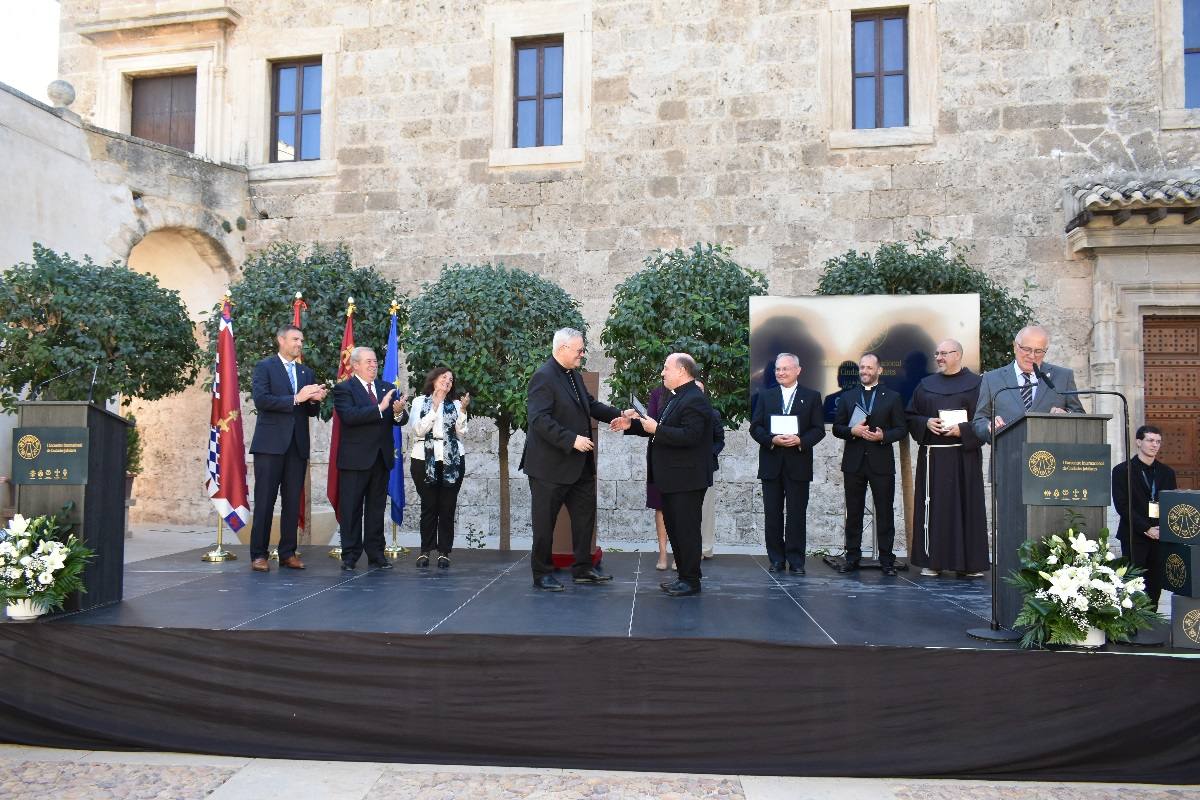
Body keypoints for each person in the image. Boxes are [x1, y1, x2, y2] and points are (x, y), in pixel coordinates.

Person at [520, 328, 627, 591]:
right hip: (549, 467)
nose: (582, 354)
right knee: (545, 525)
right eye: (578, 350)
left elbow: (591, 406)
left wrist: (618, 414)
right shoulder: (543, 377)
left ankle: (583, 568)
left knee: (584, 518)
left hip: (578, 466)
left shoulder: (574, 376)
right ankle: (541, 574)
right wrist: (571, 440)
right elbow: (539, 420)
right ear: (562, 349)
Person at [623, 353, 716, 597]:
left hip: (686, 479)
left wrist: (658, 429)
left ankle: (691, 580)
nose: (662, 373)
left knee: (686, 530)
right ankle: (684, 577)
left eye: (666, 368)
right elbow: (661, 428)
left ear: (682, 371)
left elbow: (690, 436)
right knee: (676, 528)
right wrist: (632, 425)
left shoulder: (695, 399)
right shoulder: (677, 396)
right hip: (673, 478)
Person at [906, 339, 989, 577]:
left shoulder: (978, 385)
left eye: (944, 353)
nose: (939, 357)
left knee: (967, 508)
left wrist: (962, 430)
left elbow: (985, 419)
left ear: (958, 355)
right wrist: (926, 422)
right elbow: (911, 416)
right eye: (937, 353)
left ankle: (970, 565)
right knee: (936, 510)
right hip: (934, 458)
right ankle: (933, 562)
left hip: (965, 457)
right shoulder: (925, 385)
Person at [248, 324, 327, 572]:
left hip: (296, 446)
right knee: (265, 501)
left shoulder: (306, 372)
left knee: (292, 502)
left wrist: (316, 399)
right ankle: (259, 554)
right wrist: (297, 398)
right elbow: (262, 400)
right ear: (281, 340)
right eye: (295, 339)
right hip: (270, 446)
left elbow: (310, 411)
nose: (299, 344)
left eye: (301, 340)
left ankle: (287, 553)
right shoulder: (265, 367)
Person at [332, 346, 408, 571]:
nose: (373, 365)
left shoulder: (387, 388)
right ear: (355, 365)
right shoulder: (344, 389)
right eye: (368, 362)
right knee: (351, 509)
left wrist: (397, 411)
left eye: (375, 362)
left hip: (381, 458)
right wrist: (380, 407)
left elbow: (399, 420)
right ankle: (350, 555)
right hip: (354, 460)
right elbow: (349, 417)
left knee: (376, 509)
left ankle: (376, 554)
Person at [831, 352, 907, 576]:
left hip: (881, 463)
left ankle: (887, 561)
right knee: (853, 513)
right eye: (862, 368)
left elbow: (901, 430)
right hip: (854, 464)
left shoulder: (892, 397)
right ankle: (852, 557)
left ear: (879, 370)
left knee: (885, 513)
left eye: (869, 368)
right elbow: (837, 428)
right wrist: (851, 431)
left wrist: (883, 436)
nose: (864, 371)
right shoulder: (848, 396)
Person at [748, 353, 825, 575]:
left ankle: (796, 561)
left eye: (785, 369)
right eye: (778, 370)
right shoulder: (765, 395)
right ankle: (776, 559)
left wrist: (801, 440)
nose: (780, 373)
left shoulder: (811, 397)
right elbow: (756, 427)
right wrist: (771, 440)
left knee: (796, 515)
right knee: (772, 514)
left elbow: (818, 430)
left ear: (798, 370)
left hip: (798, 464)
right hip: (771, 464)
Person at [972, 325, 1085, 441]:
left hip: (1050, 454)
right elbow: (979, 421)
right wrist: (988, 427)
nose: (1032, 356)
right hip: (1007, 454)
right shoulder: (992, 379)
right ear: (1015, 347)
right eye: (1026, 349)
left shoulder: (1063, 376)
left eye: (1038, 351)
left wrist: (1067, 415)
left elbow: (1080, 415)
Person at [409, 367, 470, 568]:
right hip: (423, 458)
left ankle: (444, 552)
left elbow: (461, 431)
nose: (447, 381)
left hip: (452, 459)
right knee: (429, 506)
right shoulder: (419, 402)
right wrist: (434, 408)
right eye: (444, 377)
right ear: (434, 380)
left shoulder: (454, 404)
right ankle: (425, 551)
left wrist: (462, 410)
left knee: (447, 507)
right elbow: (418, 430)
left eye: (451, 379)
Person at [1112, 425, 1176, 605]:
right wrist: (1146, 528)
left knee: (1155, 584)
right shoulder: (1122, 471)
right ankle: (1133, 625)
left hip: (1160, 536)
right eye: (1150, 440)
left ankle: (1151, 625)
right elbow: (1122, 506)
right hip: (1134, 535)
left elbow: (1171, 505)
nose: (1154, 445)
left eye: (1158, 441)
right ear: (1139, 442)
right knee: (1133, 584)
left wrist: (1161, 529)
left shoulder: (1167, 472)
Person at [643, 383, 671, 570]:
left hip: (682, 456)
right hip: (658, 455)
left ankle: (680, 555)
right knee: (660, 508)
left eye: (667, 369)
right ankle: (663, 554)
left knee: (681, 510)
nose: (663, 373)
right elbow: (648, 423)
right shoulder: (657, 393)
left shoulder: (691, 393)